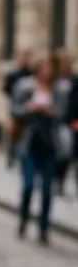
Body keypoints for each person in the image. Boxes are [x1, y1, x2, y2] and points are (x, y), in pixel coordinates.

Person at [12, 54, 61, 244]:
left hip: (50, 143)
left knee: (47, 190)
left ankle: (43, 228)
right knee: (28, 185)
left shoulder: (57, 90)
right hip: (30, 142)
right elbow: (15, 110)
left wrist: (52, 111)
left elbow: (66, 112)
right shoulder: (25, 86)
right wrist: (29, 109)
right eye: (44, 68)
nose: (47, 72)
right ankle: (24, 219)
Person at [53, 51, 76, 197]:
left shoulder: (74, 81)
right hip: (53, 122)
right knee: (56, 153)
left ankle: (60, 180)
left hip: (68, 122)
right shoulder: (53, 80)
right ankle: (54, 179)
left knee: (66, 153)